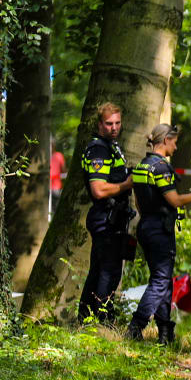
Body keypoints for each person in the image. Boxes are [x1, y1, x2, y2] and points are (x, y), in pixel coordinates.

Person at [128, 124, 191, 344]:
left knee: (163, 280)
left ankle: (165, 332)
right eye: (174, 142)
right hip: (160, 229)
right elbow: (174, 200)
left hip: (146, 225)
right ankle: (136, 327)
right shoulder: (161, 167)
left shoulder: (141, 166)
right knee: (160, 281)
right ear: (165, 140)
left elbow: (138, 201)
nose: (176, 147)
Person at [77, 104, 133, 324]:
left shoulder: (111, 146)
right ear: (100, 124)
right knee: (108, 272)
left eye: (117, 123)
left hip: (113, 218)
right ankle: (102, 322)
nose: (114, 128)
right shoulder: (99, 150)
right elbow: (98, 190)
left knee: (99, 270)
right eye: (109, 124)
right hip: (105, 218)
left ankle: (85, 319)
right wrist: (127, 183)